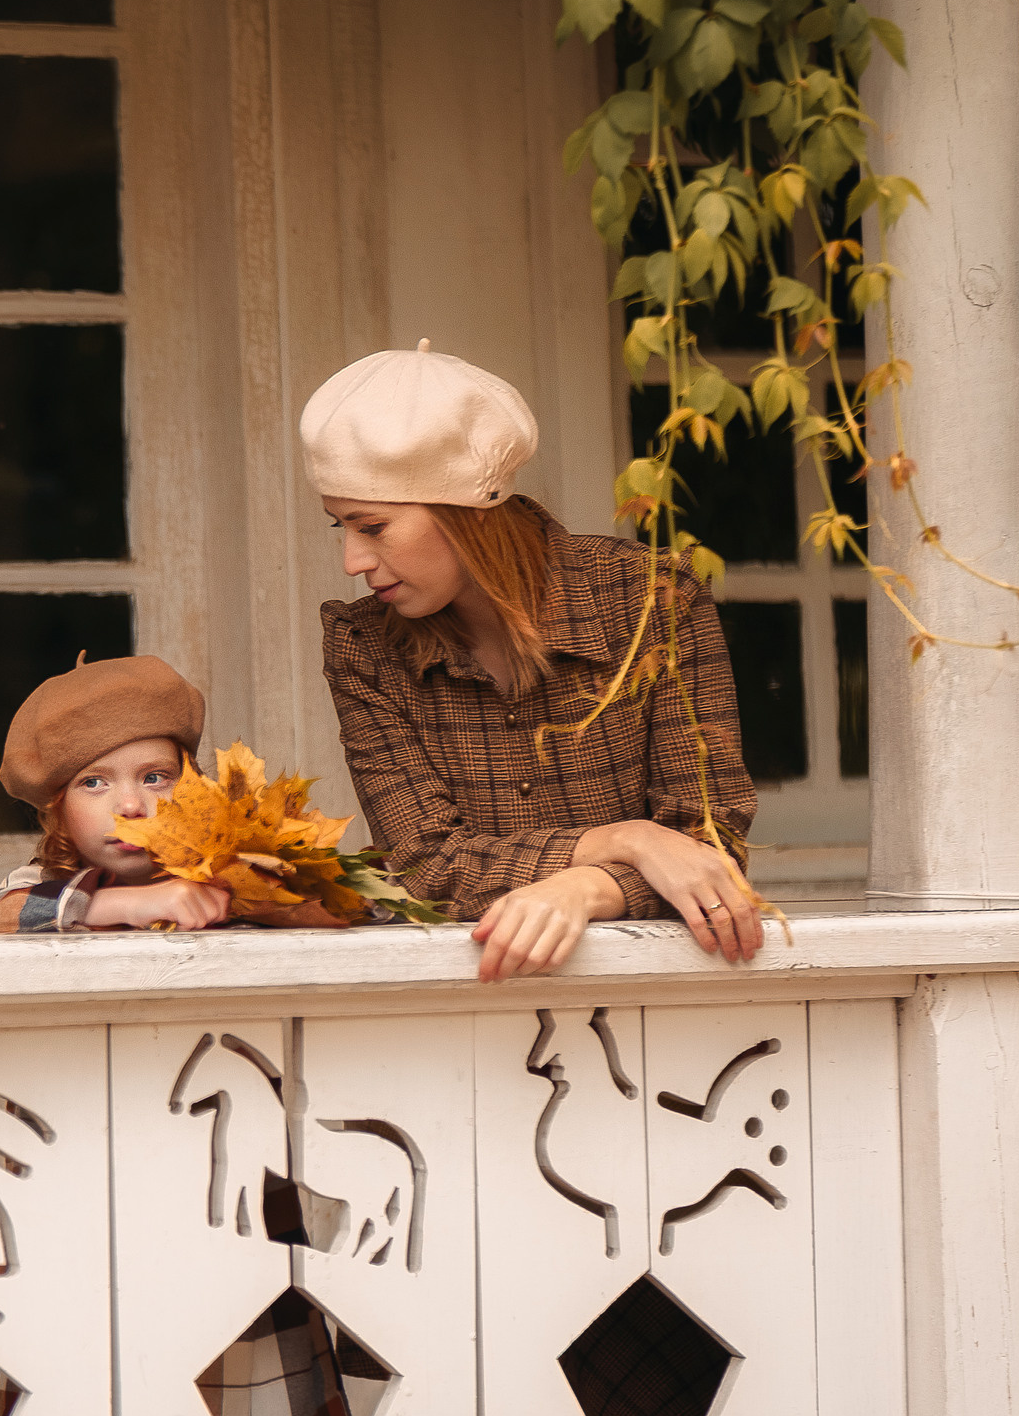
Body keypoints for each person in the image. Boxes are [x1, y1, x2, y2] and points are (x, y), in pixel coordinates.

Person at [301, 340, 762, 982]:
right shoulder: (363, 645)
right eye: (341, 527)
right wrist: (628, 841)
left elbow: (708, 847)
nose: (353, 561)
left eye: (372, 528)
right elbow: (422, 866)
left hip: (658, 994)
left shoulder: (651, 599)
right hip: (466, 993)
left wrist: (585, 889)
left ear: (465, 515)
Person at [0, 654, 342, 933]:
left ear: (194, 788)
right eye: (94, 783)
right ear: (59, 809)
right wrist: (124, 904)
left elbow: (339, 910)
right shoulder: (43, 880)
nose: (129, 806)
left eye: (154, 778)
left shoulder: (237, 870)